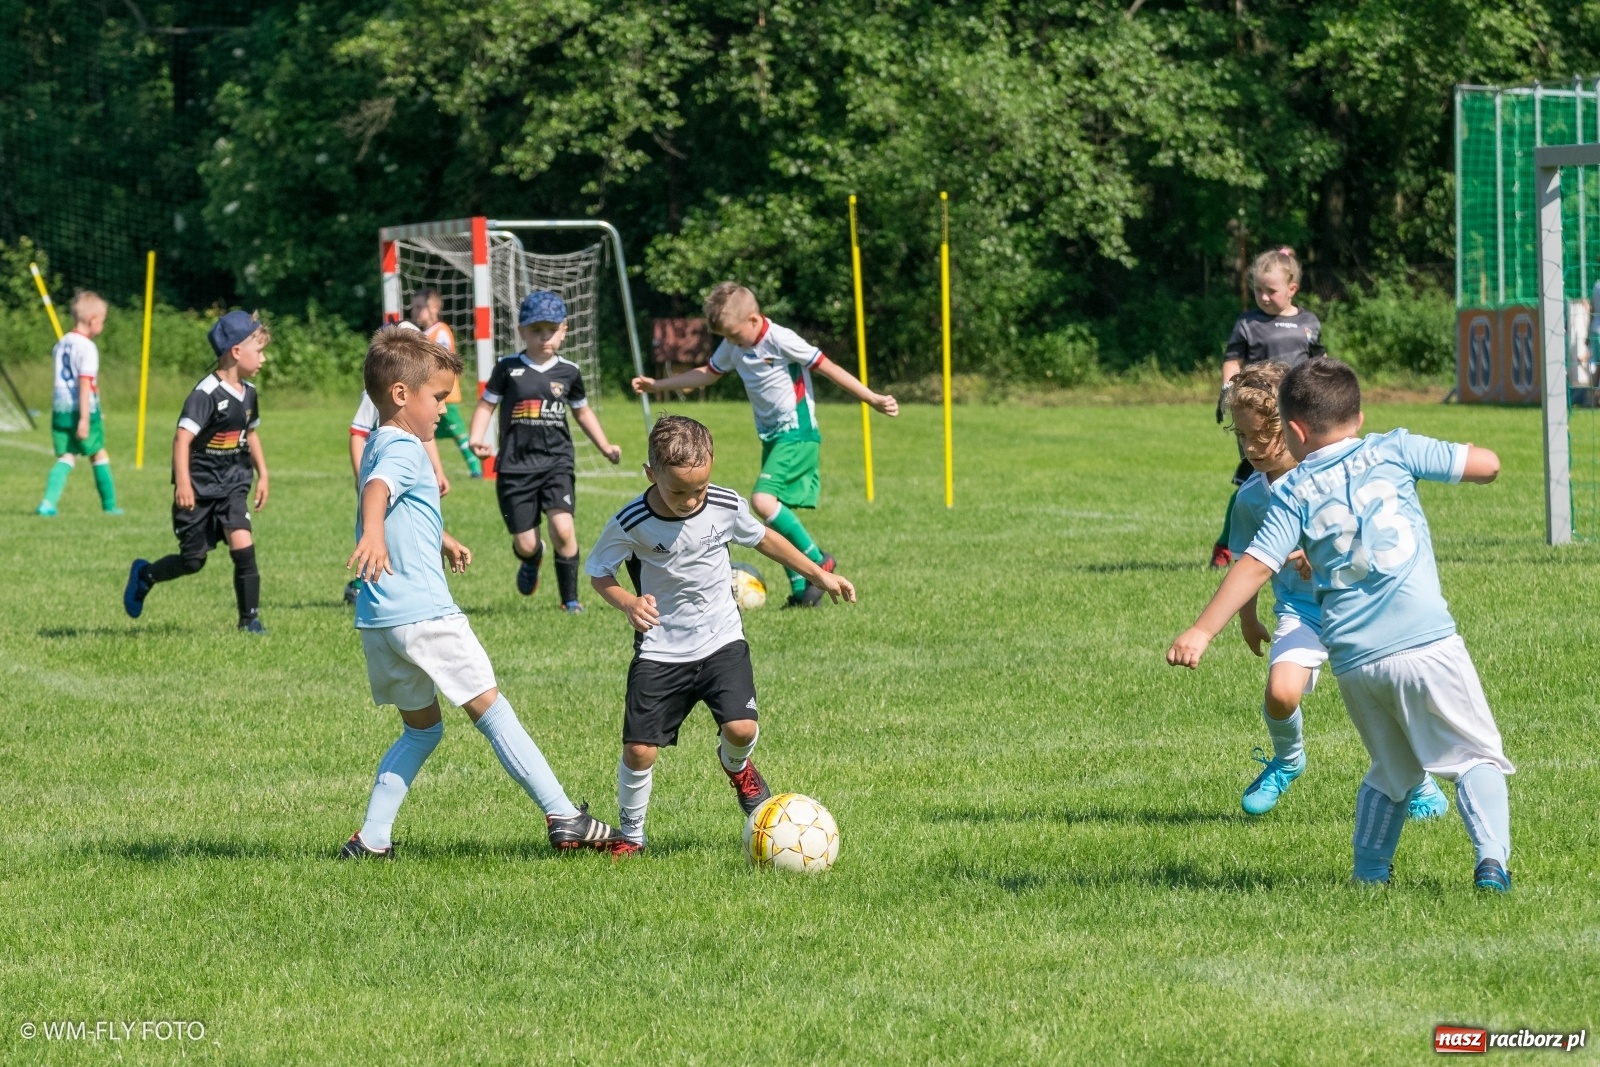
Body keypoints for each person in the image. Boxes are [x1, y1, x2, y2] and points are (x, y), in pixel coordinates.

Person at [1169, 358, 1514, 891]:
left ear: (1295, 431)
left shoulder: (1291, 491)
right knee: (1475, 756)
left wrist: (1201, 630)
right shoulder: (1393, 447)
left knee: (1390, 770)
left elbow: (1255, 563)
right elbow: (1487, 465)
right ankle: (1490, 861)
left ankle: (1370, 875)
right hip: (1425, 641)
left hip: (1355, 658)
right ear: (1359, 413)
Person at [340, 325, 623, 859]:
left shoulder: (379, 441)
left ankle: (371, 839)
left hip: (380, 618)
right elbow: (379, 494)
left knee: (422, 732)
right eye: (439, 398)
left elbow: (391, 498)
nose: (445, 410)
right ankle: (564, 816)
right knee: (493, 711)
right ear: (401, 395)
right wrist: (374, 531)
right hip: (426, 615)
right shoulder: (405, 445)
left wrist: (440, 537)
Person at [586, 415, 856, 855]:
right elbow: (599, 572)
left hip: (721, 640)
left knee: (742, 726)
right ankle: (631, 836)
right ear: (651, 474)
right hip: (662, 649)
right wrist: (627, 603)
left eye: (700, 489)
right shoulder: (631, 521)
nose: (692, 501)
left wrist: (817, 574)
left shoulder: (725, 504)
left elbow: (764, 538)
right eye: (679, 491)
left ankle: (737, 766)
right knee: (639, 751)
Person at [1222, 361, 1446, 820]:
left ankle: (1418, 782)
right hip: (1303, 614)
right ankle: (1288, 760)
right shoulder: (1249, 498)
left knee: (1386, 703)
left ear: (1294, 428)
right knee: (1281, 692)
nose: (1250, 447)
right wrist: (1248, 618)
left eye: (1259, 435)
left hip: (1362, 611)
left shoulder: (1340, 476)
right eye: (1241, 437)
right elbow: (1246, 563)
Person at [629, 281, 898, 607]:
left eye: (734, 334)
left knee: (762, 500)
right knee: (772, 514)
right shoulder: (734, 345)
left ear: (754, 321)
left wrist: (872, 399)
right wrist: (659, 384)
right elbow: (707, 373)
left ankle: (818, 561)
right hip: (771, 438)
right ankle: (801, 590)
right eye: (726, 337)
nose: (730, 342)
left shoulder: (780, 339)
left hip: (796, 433)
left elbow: (829, 368)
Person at [467, 290, 622, 613]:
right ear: (522, 331)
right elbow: (486, 405)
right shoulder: (508, 368)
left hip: (557, 463)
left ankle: (570, 601)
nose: (544, 337)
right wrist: (476, 438)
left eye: (551, 330)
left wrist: (605, 446)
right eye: (536, 331)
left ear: (564, 330)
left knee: (563, 529)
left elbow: (582, 412)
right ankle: (531, 558)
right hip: (514, 466)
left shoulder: (569, 372)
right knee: (525, 543)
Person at [123, 310, 271, 633]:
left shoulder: (250, 394)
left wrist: (263, 474)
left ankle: (249, 620)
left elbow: (252, 432)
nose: (263, 358)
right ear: (236, 352)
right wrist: (184, 484)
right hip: (199, 490)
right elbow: (182, 439)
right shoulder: (205, 394)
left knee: (244, 548)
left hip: (233, 485)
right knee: (193, 561)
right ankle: (145, 574)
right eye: (258, 351)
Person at [1211, 248, 1325, 568]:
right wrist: (1227, 391)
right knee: (1256, 481)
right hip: (1260, 415)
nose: (1262, 297)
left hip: (1299, 414)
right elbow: (1232, 359)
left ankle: (1306, 544)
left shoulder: (1309, 322)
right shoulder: (1248, 323)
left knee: (1306, 475)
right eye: (1257, 290)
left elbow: (1320, 363)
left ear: (1292, 289)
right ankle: (1227, 546)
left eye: (1270, 290)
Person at [344, 386, 452, 606]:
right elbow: (358, 433)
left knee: (402, 528)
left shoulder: (421, 403)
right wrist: (360, 475)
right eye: (438, 399)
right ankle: (362, 584)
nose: (443, 409)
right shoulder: (375, 395)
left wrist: (437, 469)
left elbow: (425, 436)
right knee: (376, 532)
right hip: (384, 474)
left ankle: (394, 589)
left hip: (400, 473)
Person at [37, 291, 120, 516]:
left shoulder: (62, 343)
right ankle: (110, 506)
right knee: (99, 454)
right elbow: (85, 384)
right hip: (82, 410)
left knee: (66, 456)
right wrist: (85, 417)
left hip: (60, 410)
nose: (102, 325)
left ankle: (47, 503)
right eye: (102, 320)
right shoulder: (87, 348)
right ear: (93, 319)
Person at [409, 287, 483, 478]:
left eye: (419, 307)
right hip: (426, 394)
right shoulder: (421, 334)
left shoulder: (440, 331)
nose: (415, 311)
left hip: (445, 395)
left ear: (434, 308)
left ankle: (476, 469)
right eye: (413, 307)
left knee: (458, 432)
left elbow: (442, 361)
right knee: (420, 431)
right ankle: (424, 470)